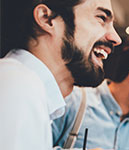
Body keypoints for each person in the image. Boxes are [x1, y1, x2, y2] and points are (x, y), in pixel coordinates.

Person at [0, 0, 121, 149]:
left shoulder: (28, 88)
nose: (116, 38)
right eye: (101, 18)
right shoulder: (18, 88)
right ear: (47, 19)